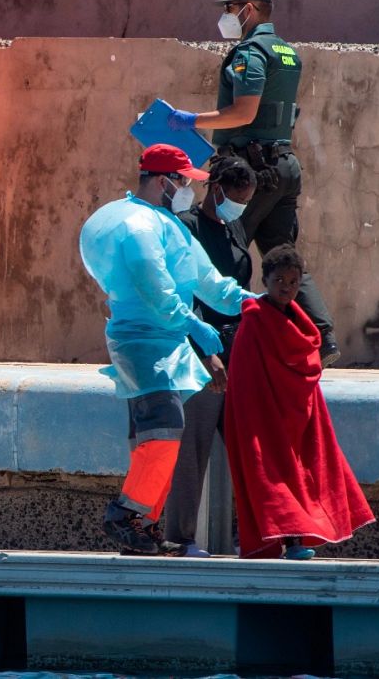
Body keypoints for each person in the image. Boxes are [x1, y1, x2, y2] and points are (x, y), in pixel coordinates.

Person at [78, 144, 256, 555]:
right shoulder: (139, 228)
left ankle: (144, 526)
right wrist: (197, 324)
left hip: (168, 346)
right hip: (141, 346)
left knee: (163, 435)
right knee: (162, 429)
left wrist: (252, 303)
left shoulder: (170, 226)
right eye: (183, 182)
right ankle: (127, 514)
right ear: (164, 182)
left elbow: (211, 284)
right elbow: (156, 291)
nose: (188, 190)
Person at [165, 0, 337, 365]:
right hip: (284, 166)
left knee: (227, 249)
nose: (226, 15)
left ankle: (231, 339)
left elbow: (244, 111)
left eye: (231, 7)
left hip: (252, 171)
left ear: (249, 9)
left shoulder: (250, 52)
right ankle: (322, 334)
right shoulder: (288, 52)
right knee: (282, 252)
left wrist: (191, 120)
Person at [224, 246, 374, 560]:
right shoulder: (253, 322)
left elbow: (306, 368)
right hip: (263, 418)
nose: (286, 287)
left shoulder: (303, 324)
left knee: (301, 474)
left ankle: (295, 542)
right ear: (265, 280)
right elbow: (245, 379)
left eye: (293, 281)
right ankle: (281, 540)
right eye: (279, 280)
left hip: (296, 417)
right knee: (272, 477)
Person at [162, 155, 257, 557]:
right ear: (215, 189)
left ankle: (251, 535)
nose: (239, 206)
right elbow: (187, 295)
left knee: (248, 450)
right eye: (235, 197)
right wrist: (205, 353)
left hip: (239, 350)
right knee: (192, 449)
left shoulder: (234, 228)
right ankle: (179, 537)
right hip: (202, 353)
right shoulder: (188, 229)